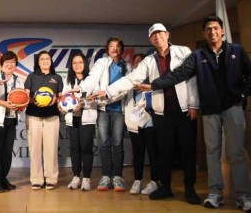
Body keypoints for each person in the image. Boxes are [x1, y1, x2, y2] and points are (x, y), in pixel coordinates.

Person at [142, 16, 251, 211]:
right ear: (204, 33)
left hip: (232, 108)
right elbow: (180, 74)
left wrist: (242, 93)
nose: (212, 32)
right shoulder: (198, 55)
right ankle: (215, 193)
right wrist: (154, 85)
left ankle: (244, 195)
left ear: (222, 31)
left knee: (236, 153)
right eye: (208, 29)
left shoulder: (236, 50)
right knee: (212, 152)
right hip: (209, 110)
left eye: (215, 28)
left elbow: (249, 75)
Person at [94, 24, 201, 204]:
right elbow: (130, 79)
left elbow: (191, 79)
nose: (157, 37)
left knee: (187, 151)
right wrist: (108, 91)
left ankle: (190, 189)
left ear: (167, 35)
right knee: (164, 153)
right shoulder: (149, 61)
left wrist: (194, 105)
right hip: (161, 112)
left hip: (184, 111)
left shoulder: (183, 51)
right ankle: (165, 187)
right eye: (153, 35)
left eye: (160, 33)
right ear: (150, 40)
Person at [76, 37, 131, 192]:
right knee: (104, 143)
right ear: (107, 49)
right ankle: (106, 176)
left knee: (118, 143)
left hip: (119, 110)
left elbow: (126, 89)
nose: (115, 48)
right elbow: (92, 79)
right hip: (103, 110)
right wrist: (80, 89)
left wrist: (109, 95)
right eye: (112, 46)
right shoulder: (101, 63)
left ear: (122, 49)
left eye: (118, 46)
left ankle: (117, 177)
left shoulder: (127, 66)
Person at [0, 51, 25, 193]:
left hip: (11, 119)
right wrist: (5, 104)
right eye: (7, 62)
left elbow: (22, 99)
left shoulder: (18, 80)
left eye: (13, 62)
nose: (10, 64)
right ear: (2, 63)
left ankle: (3, 178)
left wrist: (20, 107)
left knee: (7, 151)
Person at [24, 50, 63, 190]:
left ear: (51, 61)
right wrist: (34, 101)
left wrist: (54, 100)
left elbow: (60, 97)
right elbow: (26, 96)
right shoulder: (31, 76)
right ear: (38, 62)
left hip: (52, 116)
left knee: (51, 149)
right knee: (34, 149)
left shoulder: (57, 77)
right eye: (42, 59)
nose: (45, 61)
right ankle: (36, 179)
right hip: (33, 116)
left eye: (47, 59)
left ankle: (51, 178)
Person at [61, 53, 97, 191]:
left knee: (86, 149)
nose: (77, 65)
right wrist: (62, 107)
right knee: (75, 149)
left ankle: (86, 178)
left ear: (85, 64)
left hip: (87, 119)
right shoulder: (68, 80)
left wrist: (82, 103)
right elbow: (63, 98)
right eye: (74, 63)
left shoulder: (92, 80)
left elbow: (98, 99)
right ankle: (76, 177)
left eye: (80, 62)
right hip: (72, 119)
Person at [124, 54, 159, 195]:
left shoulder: (153, 80)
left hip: (150, 122)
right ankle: (137, 180)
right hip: (134, 123)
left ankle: (154, 181)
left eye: (141, 62)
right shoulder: (129, 82)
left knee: (153, 153)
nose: (138, 64)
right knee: (137, 153)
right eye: (136, 62)